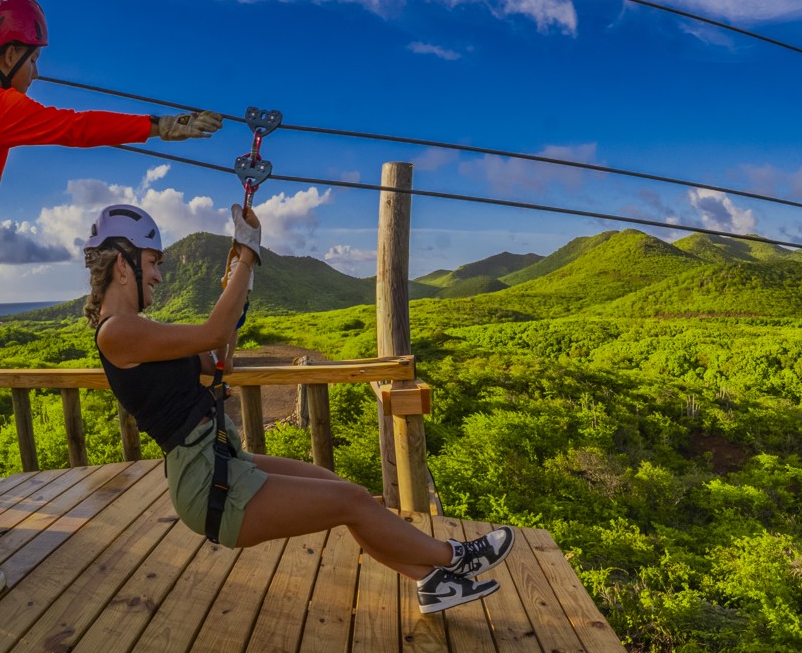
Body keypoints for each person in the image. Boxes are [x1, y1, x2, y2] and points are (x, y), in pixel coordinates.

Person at [0, 0, 223, 609]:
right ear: (10, 54)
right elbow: (74, 127)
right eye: (34, 59)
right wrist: (159, 126)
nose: (37, 72)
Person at [85, 203, 510, 614]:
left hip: (221, 459)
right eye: (152, 262)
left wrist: (240, 284)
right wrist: (247, 254)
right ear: (123, 264)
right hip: (205, 482)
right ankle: (456, 556)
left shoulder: (138, 330)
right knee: (350, 501)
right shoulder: (117, 333)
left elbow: (219, 359)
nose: (158, 275)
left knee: (349, 495)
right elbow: (213, 331)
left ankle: (432, 583)